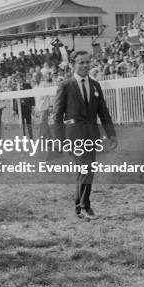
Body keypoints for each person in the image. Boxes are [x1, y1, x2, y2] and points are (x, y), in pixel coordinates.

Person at [52, 51, 117, 220]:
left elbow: (103, 111)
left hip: (91, 136)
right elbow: (57, 115)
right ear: (74, 64)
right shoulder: (65, 85)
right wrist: (58, 140)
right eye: (81, 62)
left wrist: (111, 134)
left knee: (86, 170)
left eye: (88, 62)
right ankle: (84, 206)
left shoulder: (95, 85)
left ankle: (79, 207)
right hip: (73, 136)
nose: (85, 65)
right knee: (86, 168)